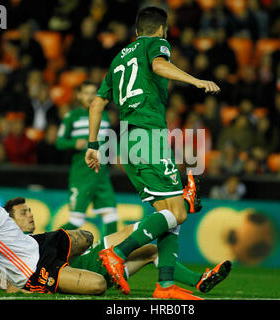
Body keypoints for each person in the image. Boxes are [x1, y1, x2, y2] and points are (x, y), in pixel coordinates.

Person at [85, 6, 220, 299]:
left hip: (128, 140)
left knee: (170, 214)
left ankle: (166, 285)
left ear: (135, 32)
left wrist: (93, 145)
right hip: (149, 136)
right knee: (179, 212)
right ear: (162, 29)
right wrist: (196, 81)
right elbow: (159, 66)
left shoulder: (119, 58)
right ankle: (117, 253)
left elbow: (96, 104)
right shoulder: (156, 44)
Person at [0, 197, 231, 298]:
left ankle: (199, 280)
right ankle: (177, 207)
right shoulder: (12, 248)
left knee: (152, 251)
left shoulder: (36, 241)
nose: (30, 215)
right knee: (129, 235)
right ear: (9, 220)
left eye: (30, 210)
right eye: (22, 213)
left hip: (84, 257)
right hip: (81, 267)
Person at [0, 156, 106, 295]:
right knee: (99, 284)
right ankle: (64, 276)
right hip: (32, 269)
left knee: (87, 237)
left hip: (36, 244)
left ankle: (66, 272)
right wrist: (8, 286)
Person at [56, 81, 119, 236]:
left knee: (111, 216)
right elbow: (59, 142)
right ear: (79, 95)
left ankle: (109, 254)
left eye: (93, 93)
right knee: (76, 221)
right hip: (81, 176)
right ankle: (47, 245)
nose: (90, 97)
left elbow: (107, 141)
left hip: (101, 176)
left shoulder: (104, 115)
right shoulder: (72, 116)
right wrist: (74, 143)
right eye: (86, 93)